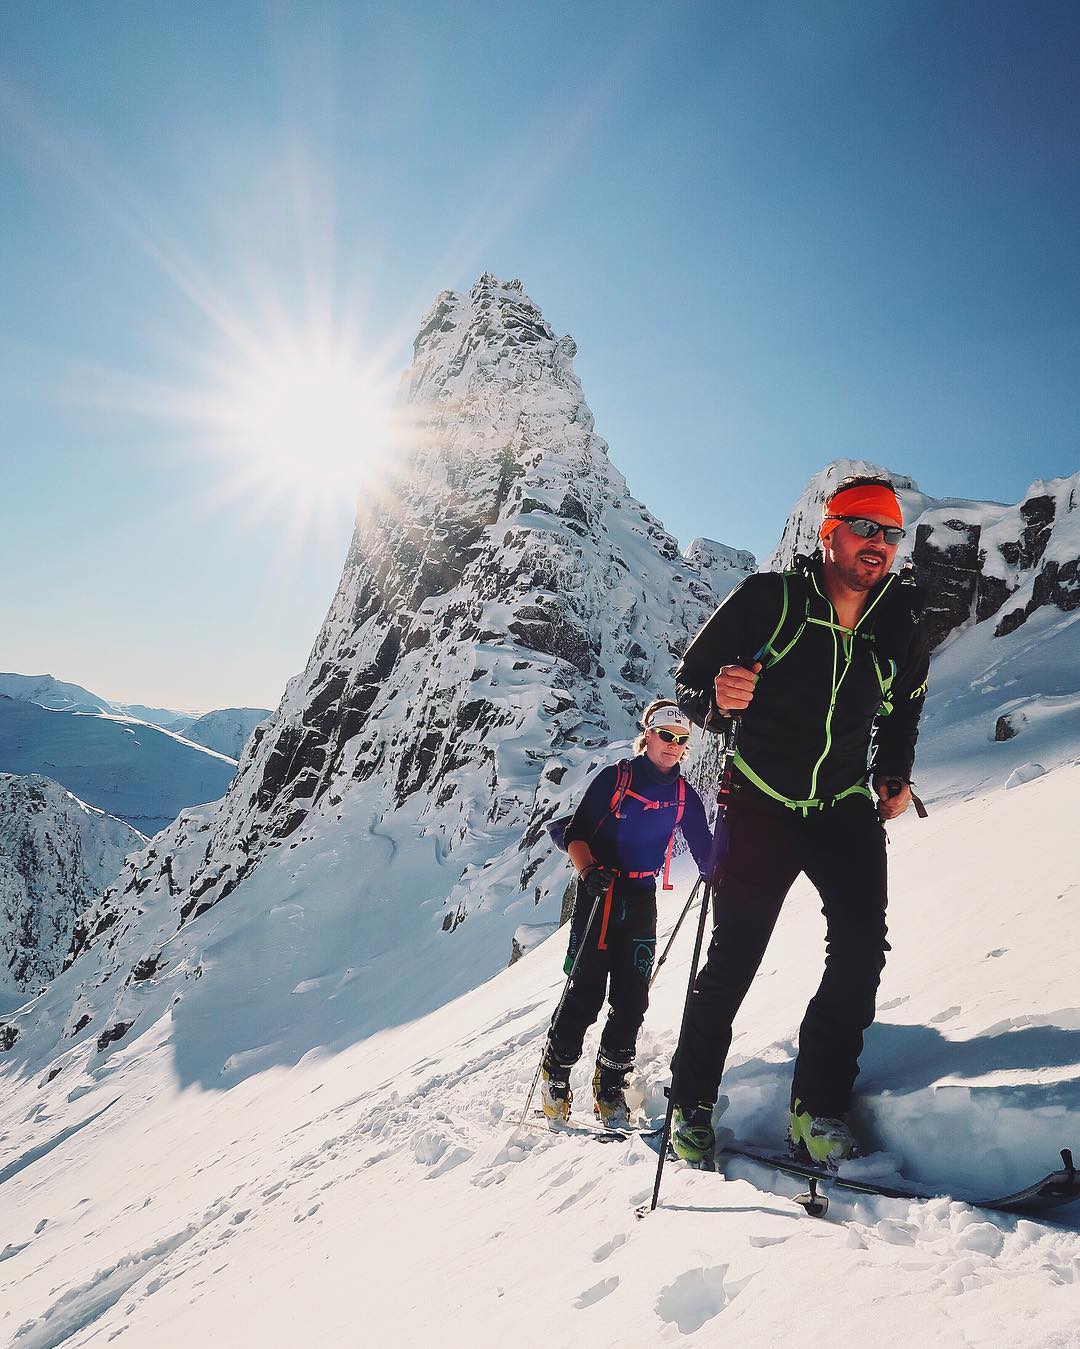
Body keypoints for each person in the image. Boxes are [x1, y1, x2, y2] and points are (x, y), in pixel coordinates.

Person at [667, 475, 930, 1166]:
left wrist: (893, 771)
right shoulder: (770, 600)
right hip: (759, 798)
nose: (878, 544)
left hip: (841, 802)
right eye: (865, 527)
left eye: (891, 533)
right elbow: (691, 680)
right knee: (735, 956)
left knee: (860, 948)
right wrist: (718, 698)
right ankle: (688, 1101)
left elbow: (905, 703)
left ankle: (817, 1106)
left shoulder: (898, 623)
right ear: (830, 531)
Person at [541, 699, 714, 1128]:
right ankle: (555, 1075)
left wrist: (719, 857)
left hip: (640, 896)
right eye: (666, 736)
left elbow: (704, 845)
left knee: (633, 997)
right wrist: (588, 871)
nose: (673, 746)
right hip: (600, 891)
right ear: (648, 735)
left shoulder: (682, 795)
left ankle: (611, 1083)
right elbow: (577, 833)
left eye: (681, 740)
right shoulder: (615, 779)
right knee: (585, 991)